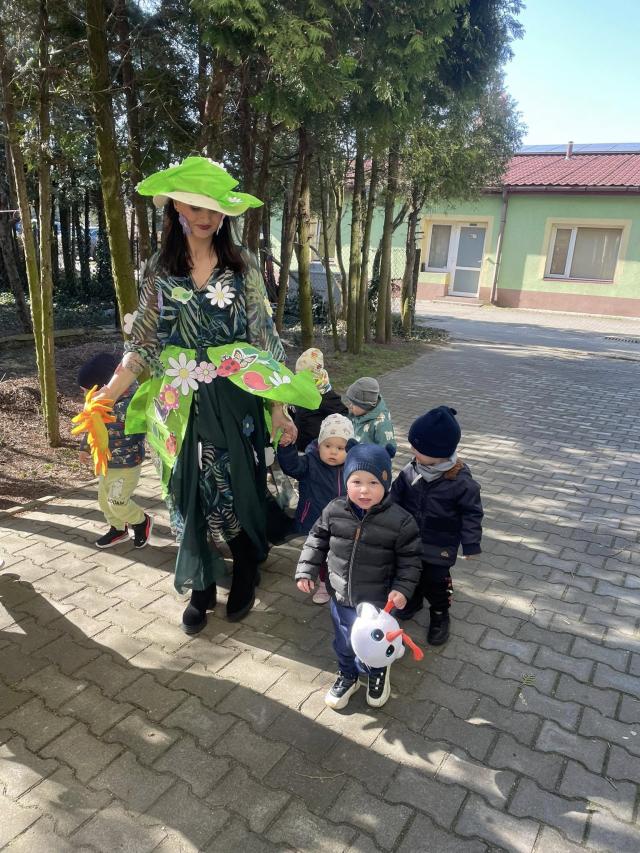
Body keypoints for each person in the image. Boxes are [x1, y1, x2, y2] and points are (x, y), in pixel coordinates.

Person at [88, 157, 318, 634]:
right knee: (185, 488)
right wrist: (107, 394)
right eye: (196, 206)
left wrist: (278, 407)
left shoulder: (242, 265)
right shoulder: (160, 268)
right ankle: (202, 584)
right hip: (176, 401)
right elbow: (143, 343)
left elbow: (264, 339)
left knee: (230, 482)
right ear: (176, 207)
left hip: (232, 397)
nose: (206, 217)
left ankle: (246, 561)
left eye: (214, 208)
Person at [295, 443, 422, 709]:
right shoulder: (334, 510)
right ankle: (348, 675)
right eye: (356, 482)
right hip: (341, 597)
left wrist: (402, 588)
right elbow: (316, 539)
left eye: (373, 482)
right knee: (344, 641)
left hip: (378, 604)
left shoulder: (401, 521)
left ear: (385, 484)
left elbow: (410, 561)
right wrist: (306, 569)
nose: (364, 490)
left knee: (376, 643)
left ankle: (378, 671)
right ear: (346, 482)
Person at [390, 406, 483, 646]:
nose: (412, 450)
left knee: (436, 581)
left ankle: (440, 613)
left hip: (440, 544)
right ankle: (412, 599)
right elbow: (394, 497)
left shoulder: (461, 482)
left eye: (417, 447)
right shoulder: (411, 470)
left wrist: (471, 543)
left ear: (438, 452)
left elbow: (472, 513)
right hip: (409, 539)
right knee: (408, 571)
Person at [77, 352, 152, 549]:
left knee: (117, 502)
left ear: (104, 387)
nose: (85, 396)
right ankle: (118, 529)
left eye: (87, 391)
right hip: (106, 464)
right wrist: (85, 448)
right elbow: (93, 430)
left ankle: (140, 521)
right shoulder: (96, 408)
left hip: (126, 465)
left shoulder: (130, 404)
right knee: (104, 501)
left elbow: (143, 426)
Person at [278, 413, 354, 605]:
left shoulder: (353, 467)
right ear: (319, 444)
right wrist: (286, 448)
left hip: (344, 523)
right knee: (321, 554)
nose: (333, 452)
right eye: (328, 446)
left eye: (340, 448)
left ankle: (343, 581)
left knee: (341, 554)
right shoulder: (309, 463)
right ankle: (324, 583)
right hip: (316, 520)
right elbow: (291, 467)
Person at [292, 348, 348, 451]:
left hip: (316, 449)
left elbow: (343, 414)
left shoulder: (325, 396)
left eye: (304, 380)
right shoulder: (300, 392)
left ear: (315, 379)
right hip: (298, 445)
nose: (301, 383)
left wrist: (331, 434)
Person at [345, 377, 396, 451]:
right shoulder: (356, 414)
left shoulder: (381, 424)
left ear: (365, 406)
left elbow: (387, 450)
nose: (350, 406)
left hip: (369, 457)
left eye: (354, 404)